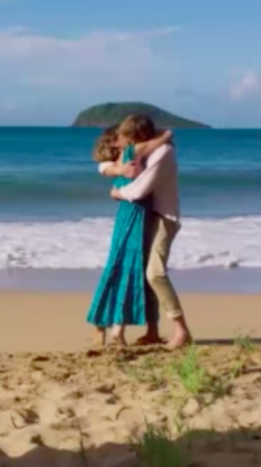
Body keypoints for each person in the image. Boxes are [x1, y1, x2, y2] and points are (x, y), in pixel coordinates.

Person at [110, 115, 193, 350]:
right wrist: (109, 169)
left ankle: (182, 330)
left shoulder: (162, 153)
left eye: (127, 138)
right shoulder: (148, 151)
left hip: (164, 219)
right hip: (148, 218)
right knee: (144, 274)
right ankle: (153, 331)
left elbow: (139, 189)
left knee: (155, 274)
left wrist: (116, 193)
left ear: (136, 137)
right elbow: (104, 160)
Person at [87, 124, 174, 347]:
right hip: (134, 215)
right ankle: (112, 329)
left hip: (140, 216)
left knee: (132, 270)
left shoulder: (126, 158)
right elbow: (108, 167)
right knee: (127, 267)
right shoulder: (131, 154)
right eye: (118, 137)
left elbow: (104, 166)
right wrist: (165, 135)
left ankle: (117, 328)